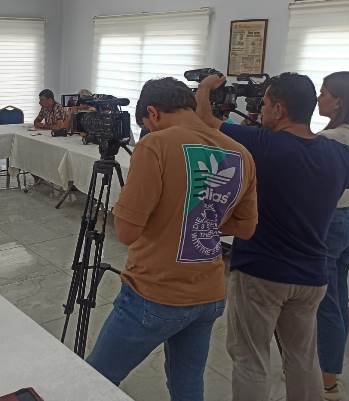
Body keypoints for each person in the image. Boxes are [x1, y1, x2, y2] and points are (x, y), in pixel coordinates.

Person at [196, 73, 349, 401]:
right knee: (302, 358)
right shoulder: (338, 153)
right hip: (312, 277)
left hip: (262, 273)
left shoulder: (263, 143)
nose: (261, 110)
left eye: (264, 104)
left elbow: (205, 121)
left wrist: (205, 88)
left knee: (250, 358)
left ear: (279, 109)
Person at [86, 78, 257, 401]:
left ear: (153, 113)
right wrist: (195, 220)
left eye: (146, 125)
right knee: (187, 386)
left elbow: (127, 232)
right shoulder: (240, 153)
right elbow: (246, 228)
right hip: (208, 293)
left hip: (155, 291)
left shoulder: (156, 144)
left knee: (95, 379)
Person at [315, 71, 349, 400]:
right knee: (336, 298)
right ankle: (327, 370)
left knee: (327, 305)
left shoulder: (331, 139)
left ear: (339, 102)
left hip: (328, 222)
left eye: (324, 93)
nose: (318, 98)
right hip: (347, 220)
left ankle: (327, 379)